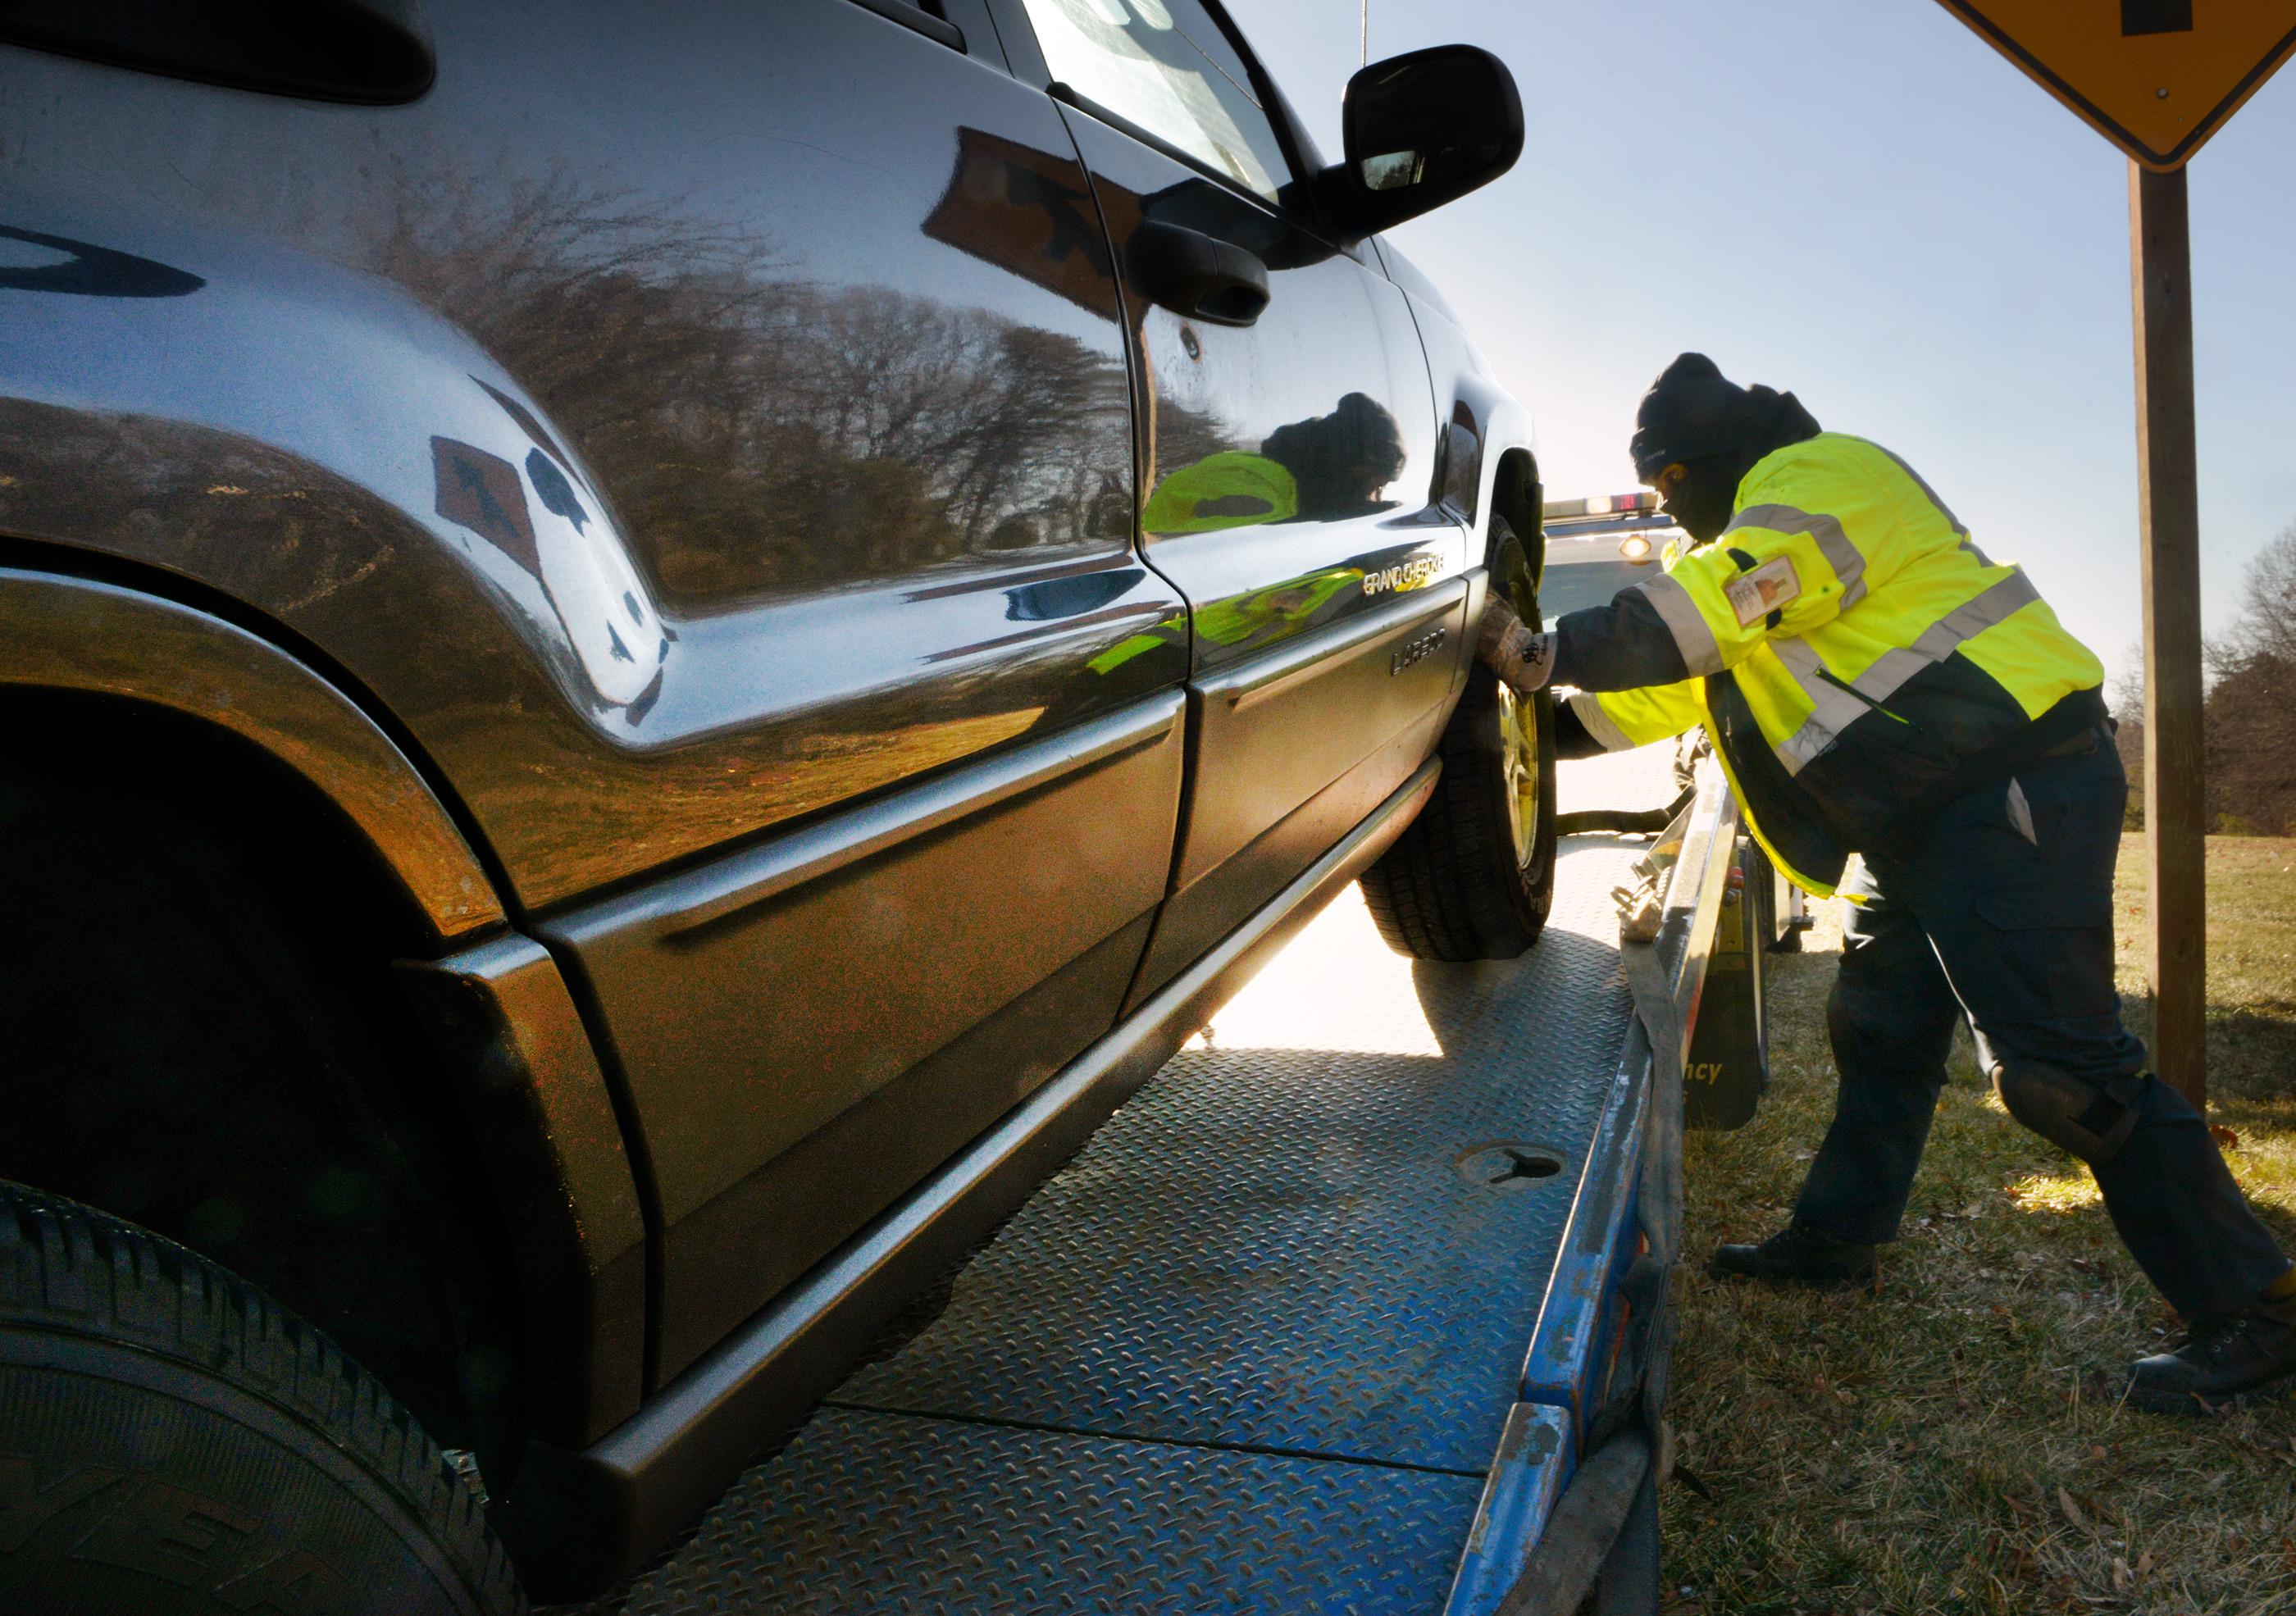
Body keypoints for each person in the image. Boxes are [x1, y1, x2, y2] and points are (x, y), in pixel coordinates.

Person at [1477, 353, 2296, 1412]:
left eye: (1674, 481)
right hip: (1922, 815)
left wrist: (1541, 649)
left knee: (2062, 1076)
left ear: (1716, 457)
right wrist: (1519, 729)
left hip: (2011, 784)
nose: (1673, 509)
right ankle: (1839, 1238)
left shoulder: (1822, 481)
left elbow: (1711, 610)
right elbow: (1663, 692)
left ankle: (2258, 1307)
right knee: (1881, 1030)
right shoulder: (1748, 550)